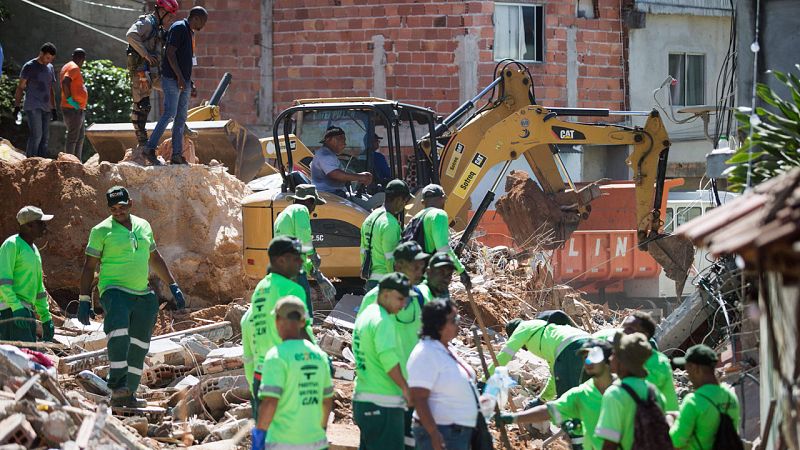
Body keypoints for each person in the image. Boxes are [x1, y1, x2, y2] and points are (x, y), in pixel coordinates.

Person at [78, 186, 186, 408]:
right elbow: (89, 267)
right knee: (118, 333)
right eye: (113, 208)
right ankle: (117, 386)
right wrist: (84, 299)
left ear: (130, 204)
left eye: (122, 207)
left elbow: (155, 257)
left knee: (139, 344)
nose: (118, 211)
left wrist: (173, 285)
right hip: (114, 290)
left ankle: (129, 393)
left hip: (142, 293)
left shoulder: (143, 226)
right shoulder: (100, 231)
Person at [357, 241, 430, 449]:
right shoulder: (375, 298)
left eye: (422, 265)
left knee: (408, 442)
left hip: (412, 389)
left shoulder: (420, 298)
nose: (420, 270)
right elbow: (361, 341)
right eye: (414, 266)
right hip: (385, 392)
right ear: (398, 266)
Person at [241, 236, 316, 419]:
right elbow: (302, 333)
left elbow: (247, 324)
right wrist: (319, 360)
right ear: (282, 260)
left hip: (261, 375)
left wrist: (251, 380)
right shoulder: (292, 289)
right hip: (287, 374)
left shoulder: (260, 288)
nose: (302, 262)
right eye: (297, 257)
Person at [251, 296, 333, 450]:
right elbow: (326, 400)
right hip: (317, 443)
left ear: (277, 321)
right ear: (303, 322)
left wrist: (259, 435)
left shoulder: (276, 356)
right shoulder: (320, 356)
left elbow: (270, 402)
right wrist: (320, 430)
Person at [501, 339, 615, 450]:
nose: (588, 362)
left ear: (608, 359)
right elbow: (548, 411)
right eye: (585, 358)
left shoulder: (627, 387)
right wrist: (512, 418)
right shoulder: (580, 394)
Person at [352, 272, 413, 450]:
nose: (403, 305)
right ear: (385, 294)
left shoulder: (366, 315)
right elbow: (389, 361)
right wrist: (405, 388)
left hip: (364, 399)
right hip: (383, 402)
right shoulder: (383, 321)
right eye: (400, 299)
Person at [408, 300, 478, 450]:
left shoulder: (445, 348)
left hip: (456, 433)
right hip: (442, 433)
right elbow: (419, 398)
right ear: (438, 324)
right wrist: (433, 433)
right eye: (454, 320)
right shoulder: (426, 352)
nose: (458, 323)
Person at [143, 6, 208, 165]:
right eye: (203, 21)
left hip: (182, 81)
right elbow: (170, 53)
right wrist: (179, 77)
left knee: (181, 118)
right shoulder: (179, 27)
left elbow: (185, 60)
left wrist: (189, 82)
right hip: (172, 79)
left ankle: (177, 155)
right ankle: (149, 149)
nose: (204, 25)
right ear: (196, 18)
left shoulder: (190, 32)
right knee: (170, 112)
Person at [595, 332, 667, 450]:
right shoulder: (653, 391)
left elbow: (610, 444)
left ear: (623, 363)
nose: (610, 358)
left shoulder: (614, 394)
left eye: (614, 354)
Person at [594, 312, 679, 411]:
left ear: (645, 335)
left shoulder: (657, 362)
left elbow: (635, 392)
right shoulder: (627, 358)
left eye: (630, 329)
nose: (624, 332)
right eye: (624, 327)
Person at [489, 317, 589, 401]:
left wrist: (485, 378)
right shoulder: (546, 331)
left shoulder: (522, 328)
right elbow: (556, 374)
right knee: (593, 390)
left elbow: (506, 353)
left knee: (570, 396)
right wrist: (542, 399)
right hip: (590, 341)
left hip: (571, 348)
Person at [126, 0, 179, 155]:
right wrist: (145, 54)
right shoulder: (147, 23)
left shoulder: (159, 28)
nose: (171, 20)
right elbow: (131, 34)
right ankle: (143, 143)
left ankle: (180, 126)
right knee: (142, 105)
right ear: (162, 12)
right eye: (170, 16)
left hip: (154, 73)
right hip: (141, 72)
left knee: (173, 90)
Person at [273, 184, 335, 307]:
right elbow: (304, 237)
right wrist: (313, 255)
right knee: (303, 310)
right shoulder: (301, 210)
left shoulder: (284, 214)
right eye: (314, 204)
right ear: (309, 200)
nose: (313, 209)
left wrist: (315, 273)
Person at [669, 344, 740, 450]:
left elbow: (675, 442)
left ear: (696, 369)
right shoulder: (730, 395)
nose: (687, 373)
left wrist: (669, 421)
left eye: (687, 368)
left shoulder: (693, 401)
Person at [0, 206, 55, 343]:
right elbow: (3, 281)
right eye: (40, 223)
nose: (45, 226)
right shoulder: (11, 245)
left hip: (26, 312)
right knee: (19, 361)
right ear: (29, 225)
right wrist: (16, 307)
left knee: (28, 359)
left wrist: (45, 317)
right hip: (11, 312)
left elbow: (39, 288)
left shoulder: (34, 250)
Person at [360, 179, 414, 291]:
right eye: (405, 201)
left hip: (371, 281)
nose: (404, 205)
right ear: (398, 199)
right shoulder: (390, 224)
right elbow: (391, 259)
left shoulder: (370, 218)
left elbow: (363, 251)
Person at [410, 184, 467, 280]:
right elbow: (443, 248)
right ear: (443, 198)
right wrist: (461, 270)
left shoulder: (416, 217)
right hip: (427, 275)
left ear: (423, 202)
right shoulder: (439, 214)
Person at [13, 43, 57, 158]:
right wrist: (17, 106)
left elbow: (50, 88)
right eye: (47, 58)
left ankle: (41, 163)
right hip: (33, 106)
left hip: (46, 107)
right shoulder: (29, 66)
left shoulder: (50, 68)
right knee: (36, 135)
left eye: (51, 59)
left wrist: (54, 108)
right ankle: (31, 162)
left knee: (45, 138)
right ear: (41, 53)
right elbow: (21, 87)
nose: (49, 61)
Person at [310, 126, 373, 197]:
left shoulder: (328, 154)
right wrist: (361, 177)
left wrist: (359, 176)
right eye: (342, 140)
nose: (345, 144)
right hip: (329, 196)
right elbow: (335, 174)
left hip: (334, 194)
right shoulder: (325, 155)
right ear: (330, 140)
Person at [60, 48, 88, 160]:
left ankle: (77, 161)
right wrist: (70, 100)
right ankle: (70, 162)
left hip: (76, 108)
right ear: (82, 59)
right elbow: (66, 81)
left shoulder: (67, 66)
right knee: (73, 138)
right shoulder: (74, 67)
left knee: (80, 137)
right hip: (72, 108)